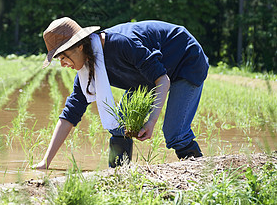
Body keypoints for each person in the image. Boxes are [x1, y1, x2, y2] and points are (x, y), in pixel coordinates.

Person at [33, 17, 209, 169]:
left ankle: (200, 173)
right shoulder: (87, 70)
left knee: (175, 134)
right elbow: (70, 114)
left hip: (185, 60)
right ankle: (118, 173)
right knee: (120, 125)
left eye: (63, 57)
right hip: (147, 78)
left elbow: (162, 79)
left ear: (79, 46)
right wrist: (46, 161)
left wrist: (151, 122)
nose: (63, 64)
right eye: (59, 59)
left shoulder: (121, 43)